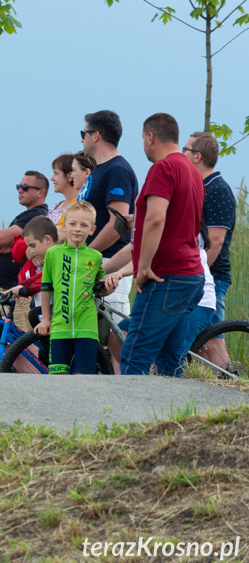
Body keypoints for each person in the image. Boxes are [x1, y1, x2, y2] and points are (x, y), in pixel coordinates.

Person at [120, 113, 205, 376]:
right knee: (170, 360)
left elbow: (156, 219)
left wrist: (142, 267)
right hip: (191, 275)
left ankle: (128, 417)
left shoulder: (163, 168)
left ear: (150, 136)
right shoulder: (192, 171)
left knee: (135, 356)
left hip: (166, 277)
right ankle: (177, 417)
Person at [34, 201, 107, 374]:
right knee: (58, 377)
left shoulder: (96, 257)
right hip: (60, 327)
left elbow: (102, 285)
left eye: (84, 225)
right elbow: (46, 288)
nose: (77, 229)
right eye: (72, 224)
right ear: (64, 225)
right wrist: (45, 319)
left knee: (83, 379)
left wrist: (108, 285)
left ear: (92, 230)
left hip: (87, 328)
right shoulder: (54, 253)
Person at [79, 110, 139, 317]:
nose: (81, 139)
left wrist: (85, 254)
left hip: (108, 262)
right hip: (94, 259)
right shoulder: (99, 170)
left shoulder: (117, 170)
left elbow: (118, 224)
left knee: (112, 337)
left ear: (96, 135)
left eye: (83, 133)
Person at [184, 131, 236, 327]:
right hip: (201, 275)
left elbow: (215, 241)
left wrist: (198, 277)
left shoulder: (218, 190)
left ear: (197, 156)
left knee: (212, 341)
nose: (182, 155)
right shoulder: (200, 186)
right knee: (208, 344)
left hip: (212, 277)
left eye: (185, 150)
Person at [0, 171, 49, 290]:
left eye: (25, 187)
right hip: (11, 289)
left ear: (40, 192)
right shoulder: (25, 215)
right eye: (19, 187)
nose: (20, 191)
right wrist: (7, 246)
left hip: (21, 291)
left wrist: (5, 246)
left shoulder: (36, 216)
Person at [7, 216, 59, 329]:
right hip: (49, 308)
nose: (30, 251)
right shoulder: (50, 258)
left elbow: (42, 279)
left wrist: (24, 288)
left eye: (33, 246)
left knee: (33, 315)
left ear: (47, 240)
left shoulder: (59, 257)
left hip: (62, 313)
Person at [47, 153, 79, 242]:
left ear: (69, 176)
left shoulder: (81, 206)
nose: (52, 178)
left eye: (56, 173)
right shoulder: (56, 206)